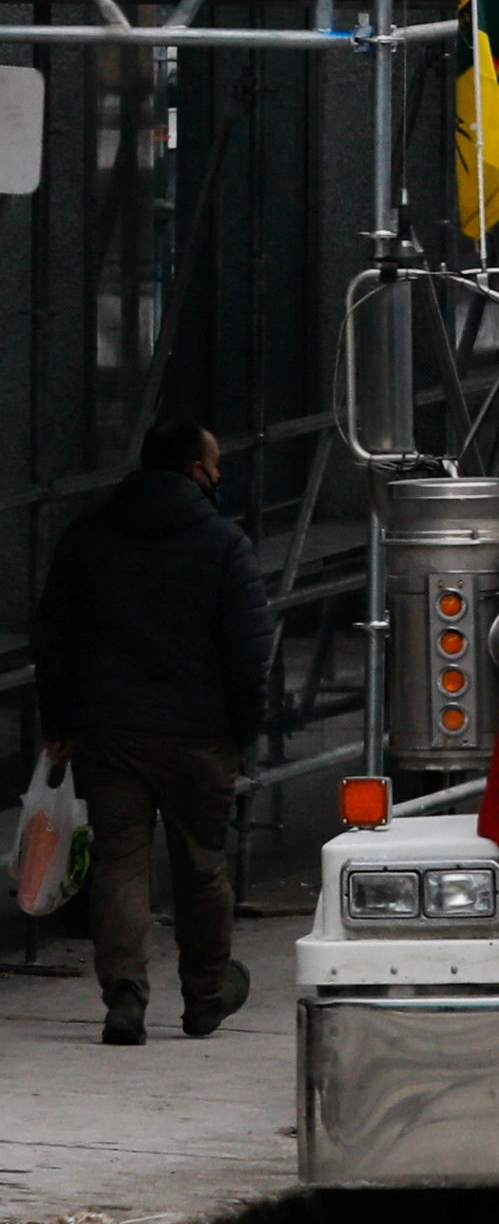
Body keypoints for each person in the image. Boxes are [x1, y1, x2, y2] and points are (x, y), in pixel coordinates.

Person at [35, 417, 273, 1048]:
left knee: (120, 863)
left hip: (110, 731)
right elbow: (249, 653)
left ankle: (125, 1000)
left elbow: (54, 636)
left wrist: (60, 722)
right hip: (200, 735)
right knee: (201, 867)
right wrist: (245, 728)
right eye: (214, 464)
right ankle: (206, 995)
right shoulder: (225, 545)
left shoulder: (88, 535)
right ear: (195, 472)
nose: (219, 474)